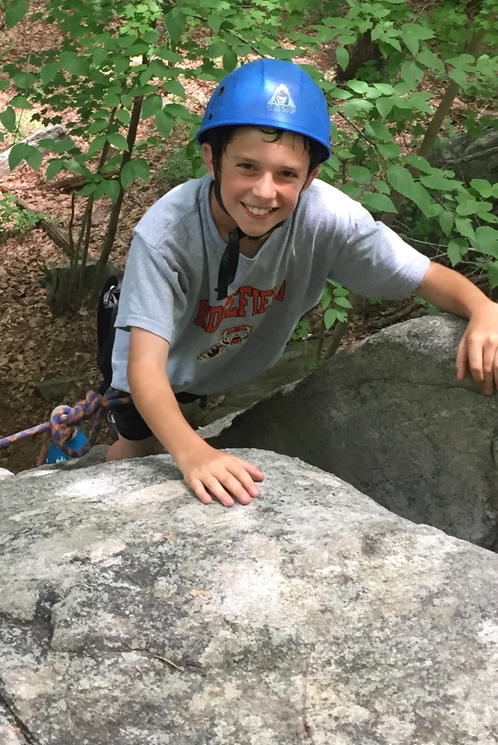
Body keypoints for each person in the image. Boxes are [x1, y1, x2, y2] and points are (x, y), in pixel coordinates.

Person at [105, 58, 498, 506]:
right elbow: (145, 369)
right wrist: (193, 452)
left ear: (310, 177)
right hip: (156, 367)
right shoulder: (166, 237)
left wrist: (482, 307)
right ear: (213, 160)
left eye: (287, 174)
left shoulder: (327, 220)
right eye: (247, 167)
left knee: (181, 420)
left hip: (214, 360)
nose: (264, 191)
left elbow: (422, 277)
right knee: (139, 448)